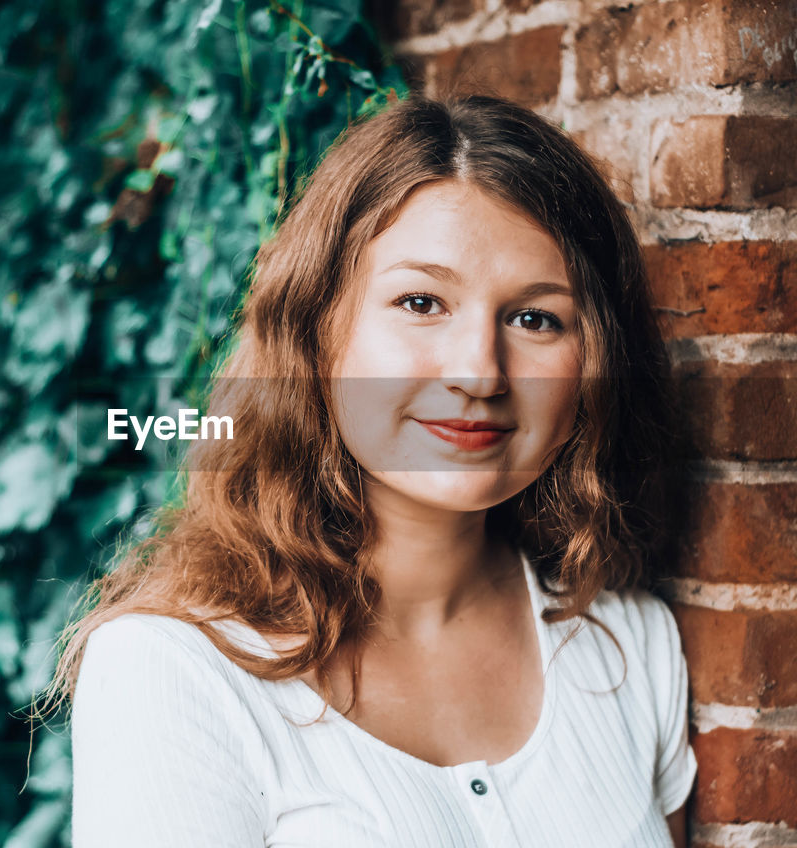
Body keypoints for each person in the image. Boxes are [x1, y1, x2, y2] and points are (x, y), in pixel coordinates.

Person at [45, 93, 698, 847]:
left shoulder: (627, 647)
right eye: (422, 302)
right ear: (319, 332)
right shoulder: (174, 672)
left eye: (535, 319)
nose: (479, 373)